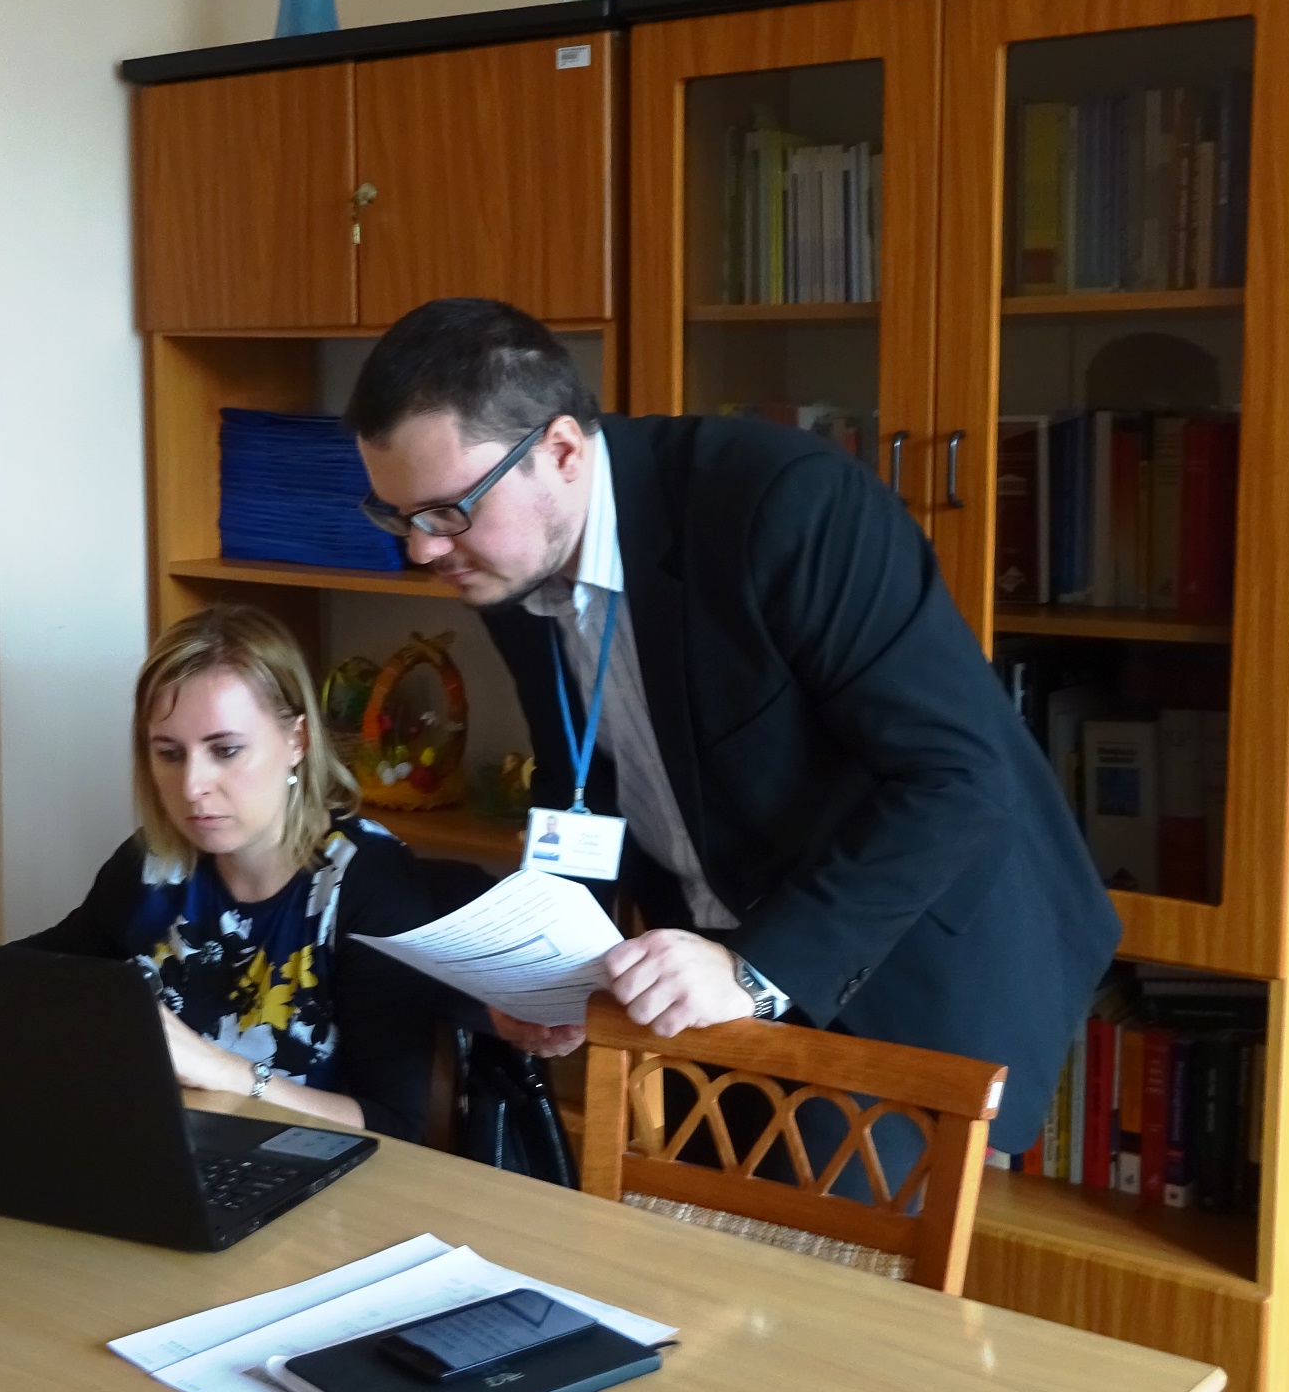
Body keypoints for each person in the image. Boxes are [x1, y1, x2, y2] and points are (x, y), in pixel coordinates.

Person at [342, 296, 1119, 1162]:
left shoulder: (782, 504)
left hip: (895, 954)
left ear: (559, 451)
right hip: (705, 959)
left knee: (822, 1244)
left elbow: (955, 777)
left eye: (446, 510)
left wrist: (756, 969)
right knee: (690, 1243)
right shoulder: (506, 560)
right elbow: (583, 775)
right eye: (397, 516)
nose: (422, 549)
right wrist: (546, 968)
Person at [14, 604, 466, 1142]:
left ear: (297, 741)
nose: (192, 787)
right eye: (169, 754)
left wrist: (221, 1071)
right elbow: (38, 972)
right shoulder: (153, 865)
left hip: (316, 1174)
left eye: (226, 751)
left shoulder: (369, 884)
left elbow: (395, 1127)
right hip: (166, 1149)